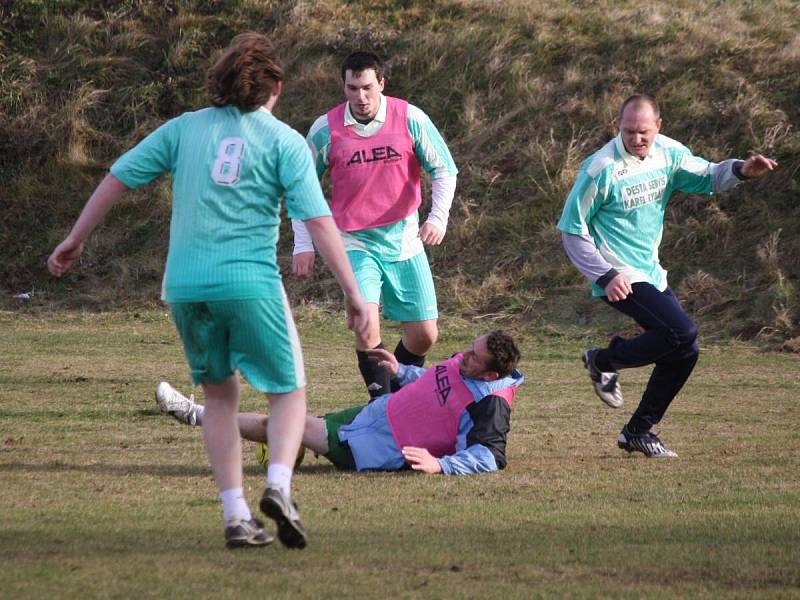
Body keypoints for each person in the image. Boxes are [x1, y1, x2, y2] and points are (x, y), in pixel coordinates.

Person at [47, 33, 370, 549]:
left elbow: (119, 177)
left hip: (186, 286)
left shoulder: (184, 129)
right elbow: (320, 221)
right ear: (276, 88)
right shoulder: (285, 141)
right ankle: (280, 488)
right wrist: (353, 292)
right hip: (249, 283)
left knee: (220, 397)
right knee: (288, 391)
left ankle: (236, 514)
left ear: (219, 82)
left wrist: (74, 238)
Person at [557, 93, 777, 458]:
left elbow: (707, 176)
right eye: (628, 131)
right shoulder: (600, 168)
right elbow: (571, 229)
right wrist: (605, 275)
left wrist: (740, 170)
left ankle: (638, 430)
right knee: (681, 331)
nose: (636, 138)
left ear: (658, 127)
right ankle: (604, 360)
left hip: (649, 270)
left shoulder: (668, 153)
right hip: (618, 272)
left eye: (643, 131)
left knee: (686, 350)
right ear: (619, 127)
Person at [291, 51, 458, 399]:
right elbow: (299, 188)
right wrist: (303, 244)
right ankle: (383, 406)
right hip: (353, 242)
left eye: (367, 87)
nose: (361, 97)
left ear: (381, 84)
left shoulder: (410, 118)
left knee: (425, 335)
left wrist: (437, 217)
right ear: (344, 86)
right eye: (352, 88)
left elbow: (444, 169)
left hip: (404, 240)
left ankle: (395, 392)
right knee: (366, 323)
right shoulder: (325, 130)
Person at [156, 330, 523, 475]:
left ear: (491, 375)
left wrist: (439, 465)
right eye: (471, 349)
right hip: (371, 416)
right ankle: (288, 447)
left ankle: (195, 414)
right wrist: (401, 371)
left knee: (283, 421)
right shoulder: (471, 362)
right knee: (288, 422)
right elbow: (437, 381)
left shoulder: (490, 404)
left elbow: (488, 456)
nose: (464, 358)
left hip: (375, 447)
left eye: (474, 358)